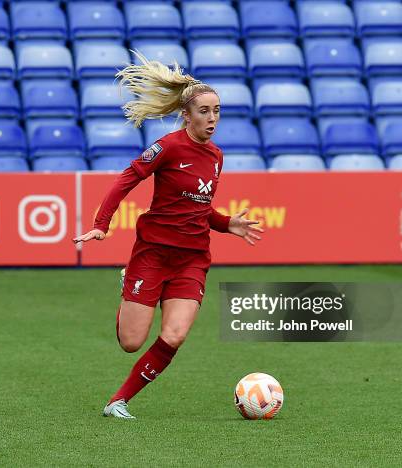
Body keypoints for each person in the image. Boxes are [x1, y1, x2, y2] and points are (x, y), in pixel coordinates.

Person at [73, 52, 263, 419]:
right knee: (131, 342)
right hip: (153, 254)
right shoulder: (169, 147)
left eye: (217, 110)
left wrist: (225, 224)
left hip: (192, 259)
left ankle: (118, 401)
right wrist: (102, 223)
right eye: (205, 111)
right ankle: (129, 283)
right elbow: (126, 179)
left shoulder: (217, 156)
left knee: (174, 336)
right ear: (187, 115)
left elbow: (195, 207)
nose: (213, 118)